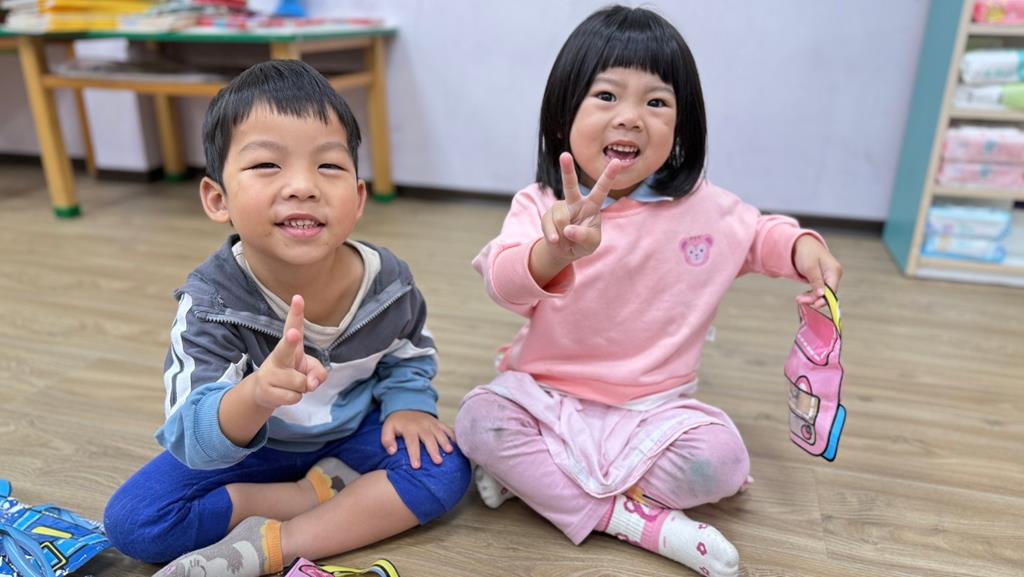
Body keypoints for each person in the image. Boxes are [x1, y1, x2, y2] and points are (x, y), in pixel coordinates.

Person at [454, 6, 842, 577]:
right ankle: (633, 521)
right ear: (563, 115)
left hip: (653, 411)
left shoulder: (703, 208)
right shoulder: (541, 205)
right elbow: (504, 285)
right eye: (606, 96)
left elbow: (761, 236)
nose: (631, 118)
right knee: (478, 421)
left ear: (682, 127)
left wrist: (805, 248)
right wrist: (553, 252)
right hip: (549, 398)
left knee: (722, 463)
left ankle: (543, 484)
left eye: (657, 102)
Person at [103, 60, 470, 577]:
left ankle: (274, 544)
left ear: (357, 198)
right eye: (267, 165)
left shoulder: (388, 282)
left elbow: (408, 353)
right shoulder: (210, 304)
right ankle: (311, 494)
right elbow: (190, 433)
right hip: (251, 454)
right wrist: (255, 395)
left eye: (329, 166)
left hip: (352, 436)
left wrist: (409, 405)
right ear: (218, 199)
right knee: (135, 523)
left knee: (446, 468)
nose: (302, 186)